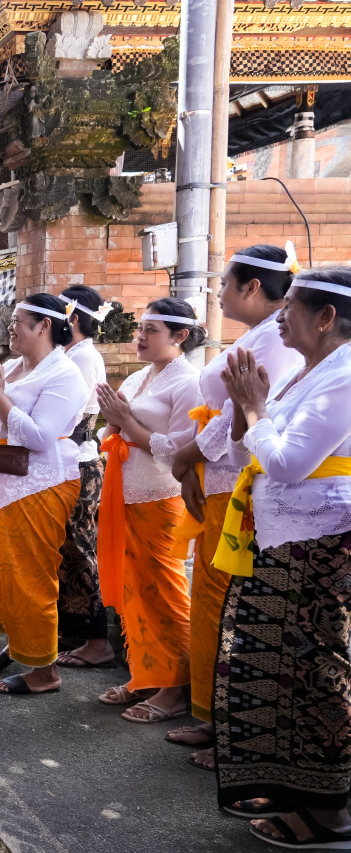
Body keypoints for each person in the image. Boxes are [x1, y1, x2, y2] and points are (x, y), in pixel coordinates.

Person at [213, 266, 351, 847]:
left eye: (290, 305)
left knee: (318, 672)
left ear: (325, 317)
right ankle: (289, 784)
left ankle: (328, 810)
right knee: (277, 669)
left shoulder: (345, 376)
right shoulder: (308, 372)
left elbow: (289, 463)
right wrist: (248, 409)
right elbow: (251, 450)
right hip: (283, 542)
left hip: (321, 547)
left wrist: (254, 408)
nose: (279, 317)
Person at [166, 244, 304, 769]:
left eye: (224, 282)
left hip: (243, 481)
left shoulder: (277, 340)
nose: (217, 292)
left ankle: (232, 726)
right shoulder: (260, 334)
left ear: (252, 287)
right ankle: (212, 714)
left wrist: (185, 458)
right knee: (210, 596)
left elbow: (241, 415)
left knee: (229, 601)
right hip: (221, 474)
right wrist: (190, 463)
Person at [0, 293, 88, 694]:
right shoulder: (13, 366)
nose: (10, 327)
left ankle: (44, 672)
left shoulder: (65, 375)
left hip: (41, 483)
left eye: (18, 320)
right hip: (0, 479)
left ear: (44, 326)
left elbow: (38, 438)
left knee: (28, 576)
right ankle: (21, 641)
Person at [95, 297, 203, 723]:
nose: (139, 337)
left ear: (180, 336)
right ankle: (145, 675)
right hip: (124, 492)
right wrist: (114, 420)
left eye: (150, 330)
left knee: (164, 591)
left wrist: (125, 420)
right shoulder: (140, 376)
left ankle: (175, 689)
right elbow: (113, 430)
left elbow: (178, 451)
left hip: (160, 496)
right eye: (140, 328)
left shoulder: (189, 383)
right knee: (134, 591)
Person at [52, 286, 114, 672]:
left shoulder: (85, 357)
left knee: (78, 549)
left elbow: (72, 418)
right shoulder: (72, 355)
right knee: (66, 549)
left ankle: (98, 641)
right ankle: (74, 630)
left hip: (79, 463)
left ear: (72, 318)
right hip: (66, 462)